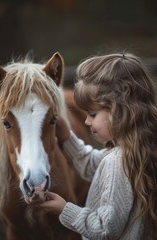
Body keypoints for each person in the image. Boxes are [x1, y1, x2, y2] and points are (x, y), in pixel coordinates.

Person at [40, 53, 157, 239]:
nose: (86, 121)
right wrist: (66, 136)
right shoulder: (140, 148)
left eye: (92, 114)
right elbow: (93, 166)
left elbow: (104, 230)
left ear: (119, 110)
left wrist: (65, 209)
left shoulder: (117, 161)